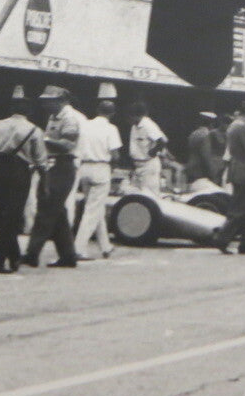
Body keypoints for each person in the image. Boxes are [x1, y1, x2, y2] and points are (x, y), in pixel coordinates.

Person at [0, 87, 46, 273]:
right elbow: (41, 160)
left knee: (2, 215)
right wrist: (45, 182)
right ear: (29, 112)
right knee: (12, 216)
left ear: (11, 109)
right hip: (20, 172)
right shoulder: (34, 129)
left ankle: (14, 256)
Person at [23, 86, 85, 268]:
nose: (45, 105)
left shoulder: (69, 118)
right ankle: (68, 255)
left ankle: (32, 253)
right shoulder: (54, 117)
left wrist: (42, 140)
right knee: (57, 213)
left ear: (61, 101)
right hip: (53, 165)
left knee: (46, 208)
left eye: (49, 101)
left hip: (62, 165)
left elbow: (67, 145)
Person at [74, 99, 121, 260]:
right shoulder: (111, 128)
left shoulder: (85, 125)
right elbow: (115, 155)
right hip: (101, 168)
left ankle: (105, 246)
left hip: (84, 167)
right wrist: (113, 168)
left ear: (97, 110)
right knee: (92, 211)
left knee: (95, 208)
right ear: (112, 114)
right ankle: (78, 249)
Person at [212, 101, 245, 255]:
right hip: (244, 171)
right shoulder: (243, 127)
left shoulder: (234, 125)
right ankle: (223, 238)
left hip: (238, 169)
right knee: (241, 208)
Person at [128, 101, 166, 194]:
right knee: (135, 194)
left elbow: (162, 141)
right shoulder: (134, 127)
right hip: (138, 165)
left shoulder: (148, 125)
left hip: (148, 164)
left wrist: (152, 152)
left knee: (149, 194)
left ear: (136, 115)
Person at [185, 112, 218, 185]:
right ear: (211, 123)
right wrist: (212, 173)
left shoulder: (194, 133)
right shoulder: (206, 135)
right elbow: (206, 156)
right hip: (201, 172)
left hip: (191, 169)